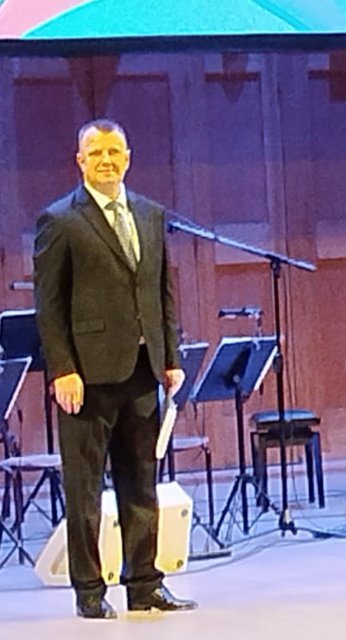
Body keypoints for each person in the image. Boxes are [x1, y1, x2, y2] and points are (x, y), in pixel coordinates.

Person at [34, 119, 196, 618]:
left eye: (114, 152)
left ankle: (145, 584)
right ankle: (89, 592)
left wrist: (170, 357)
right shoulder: (60, 220)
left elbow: (162, 292)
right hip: (86, 377)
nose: (106, 161)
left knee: (141, 483)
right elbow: (49, 305)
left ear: (128, 157)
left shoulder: (149, 214)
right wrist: (62, 369)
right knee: (85, 490)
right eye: (96, 153)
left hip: (142, 371)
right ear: (80, 161)